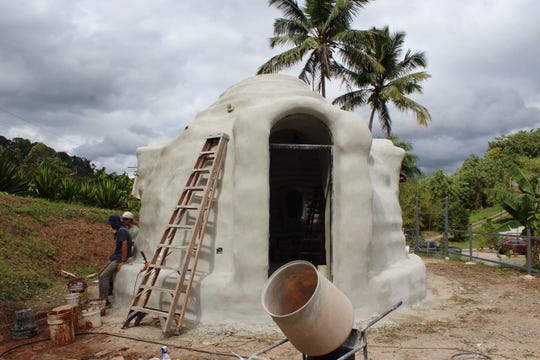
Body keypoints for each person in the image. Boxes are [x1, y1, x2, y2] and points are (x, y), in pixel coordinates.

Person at [99, 214, 132, 308]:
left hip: (118, 258)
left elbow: (124, 245)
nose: (110, 226)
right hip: (115, 257)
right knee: (100, 274)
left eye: (111, 224)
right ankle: (104, 296)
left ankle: (104, 301)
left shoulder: (122, 231)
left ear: (115, 223)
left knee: (103, 276)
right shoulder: (121, 230)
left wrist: (122, 261)